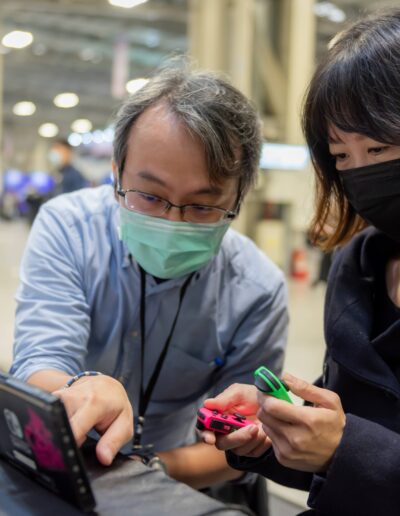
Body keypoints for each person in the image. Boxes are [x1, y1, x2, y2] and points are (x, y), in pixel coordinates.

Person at [10, 64, 288, 508]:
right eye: (151, 196)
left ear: (239, 198)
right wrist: (81, 387)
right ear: (118, 172)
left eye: (202, 206)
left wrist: (152, 469)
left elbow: (242, 442)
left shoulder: (257, 290)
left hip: (169, 483)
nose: (171, 221)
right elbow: (40, 359)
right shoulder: (68, 228)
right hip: (62, 461)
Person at [200, 9, 400, 516]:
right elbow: (341, 434)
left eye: (378, 146)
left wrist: (345, 448)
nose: (360, 173)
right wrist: (276, 433)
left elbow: (352, 447)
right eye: (340, 155)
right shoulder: (361, 266)